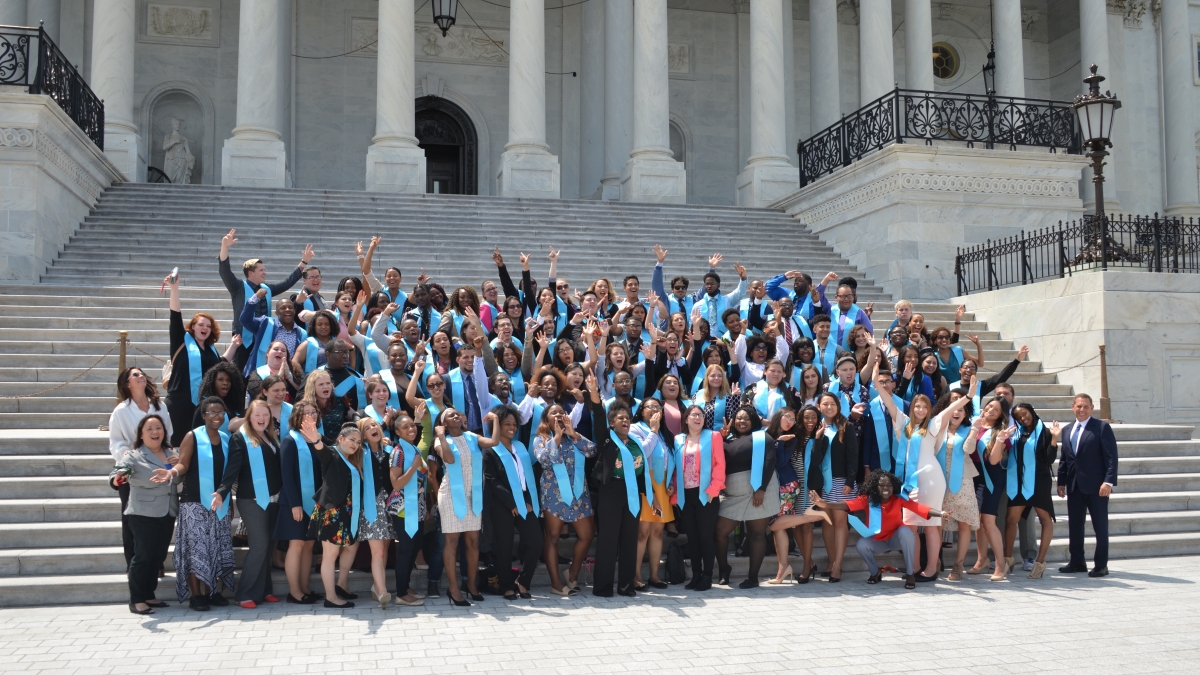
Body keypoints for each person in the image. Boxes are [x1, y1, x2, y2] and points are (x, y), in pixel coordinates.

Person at [878, 378, 978, 582]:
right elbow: (888, 401)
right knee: (909, 526)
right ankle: (914, 567)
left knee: (931, 525)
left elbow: (951, 408)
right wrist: (875, 381)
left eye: (924, 406)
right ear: (912, 407)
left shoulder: (933, 424)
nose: (921, 410)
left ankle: (931, 569)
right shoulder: (904, 422)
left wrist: (968, 396)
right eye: (917, 406)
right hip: (910, 482)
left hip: (931, 480)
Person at [811, 470, 950, 590]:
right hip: (877, 541)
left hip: (896, 539)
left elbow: (919, 508)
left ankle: (910, 574)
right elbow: (847, 504)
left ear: (894, 486)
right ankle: (875, 571)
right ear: (875, 487)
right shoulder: (868, 499)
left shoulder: (898, 499)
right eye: (881, 485)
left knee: (907, 532)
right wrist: (825, 504)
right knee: (861, 544)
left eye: (889, 485)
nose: (885, 488)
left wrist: (940, 513)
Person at [170, 397, 237, 611]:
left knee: (216, 547)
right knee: (196, 550)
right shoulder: (193, 436)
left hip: (220, 503)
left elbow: (228, 475)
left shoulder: (227, 439)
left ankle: (212, 592)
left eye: (221, 413)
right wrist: (172, 471)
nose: (217, 417)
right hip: (194, 503)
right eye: (212, 413)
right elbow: (183, 463)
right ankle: (196, 595)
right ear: (204, 415)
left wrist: (229, 500)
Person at [109, 415, 178, 614]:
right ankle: (137, 599)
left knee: (157, 556)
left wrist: (179, 462)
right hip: (142, 513)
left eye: (158, 427)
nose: (155, 432)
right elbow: (118, 473)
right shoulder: (134, 456)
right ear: (141, 434)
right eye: (149, 429)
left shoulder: (172, 454)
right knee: (144, 556)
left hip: (167, 510)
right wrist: (118, 479)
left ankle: (149, 594)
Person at [587, 373, 647, 597]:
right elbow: (598, 412)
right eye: (620, 418)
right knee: (608, 541)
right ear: (612, 423)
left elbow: (641, 471)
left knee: (629, 541)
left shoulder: (635, 443)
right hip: (610, 493)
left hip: (631, 496)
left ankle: (626, 585)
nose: (625, 421)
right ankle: (603, 588)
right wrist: (594, 391)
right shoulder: (606, 438)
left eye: (628, 419)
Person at [109, 367, 174, 571]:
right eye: (135, 375)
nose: (141, 377)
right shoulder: (121, 410)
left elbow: (169, 433)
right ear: (127, 383)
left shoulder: (159, 405)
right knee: (131, 518)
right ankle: (134, 562)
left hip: (158, 467)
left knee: (161, 517)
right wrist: (130, 460)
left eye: (142, 374)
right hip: (134, 469)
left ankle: (156, 562)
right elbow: (116, 443)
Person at [218, 228, 312, 368]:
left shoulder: (266, 289)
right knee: (241, 373)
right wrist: (224, 247)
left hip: (263, 336)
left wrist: (303, 262)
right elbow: (225, 272)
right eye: (261, 270)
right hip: (243, 339)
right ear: (251, 273)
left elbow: (286, 283)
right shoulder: (238, 287)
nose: (265, 272)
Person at [220, 400, 282, 608]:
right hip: (252, 500)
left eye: (265, 415)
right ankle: (244, 593)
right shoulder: (240, 438)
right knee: (259, 546)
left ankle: (264, 590)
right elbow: (233, 468)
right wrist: (222, 491)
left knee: (268, 546)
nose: (262, 419)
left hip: (274, 498)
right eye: (257, 415)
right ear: (249, 417)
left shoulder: (271, 437)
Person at [531, 403, 597, 596]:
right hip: (554, 495)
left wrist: (573, 434)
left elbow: (592, 451)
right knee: (552, 538)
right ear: (546, 419)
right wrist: (558, 437)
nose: (559, 414)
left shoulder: (574, 437)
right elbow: (545, 459)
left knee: (587, 535)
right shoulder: (540, 439)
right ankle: (556, 583)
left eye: (562, 412)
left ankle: (573, 574)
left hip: (579, 494)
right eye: (554, 412)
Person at [482, 405, 545, 600]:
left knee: (536, 541)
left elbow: (526, 476)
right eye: (506, 424)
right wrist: (512, 503)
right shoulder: (490, 450)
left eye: (514, 424)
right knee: (504, 546)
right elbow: (492, 481)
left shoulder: (519, 446)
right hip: (502, 504)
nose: (512, 428)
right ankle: (507, 585)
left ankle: (523, 582)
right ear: (497, 425)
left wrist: (525, 499)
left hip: (524, 502)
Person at [306, 421, 370, 609]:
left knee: (352, 546)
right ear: (341, 439)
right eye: (352, 440)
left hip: (349, 512)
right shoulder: (333, 453)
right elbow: (322, 452)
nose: (355, 445)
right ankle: (331, 597)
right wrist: (316, 440)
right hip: (332, 512)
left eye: (358, 442)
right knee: (330, 555)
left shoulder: (352, 460)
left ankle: (341, 585)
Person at [715, 406, 779, 588]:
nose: (742, 422)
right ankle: (724, 569)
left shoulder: (762, 437)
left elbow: (769, 462)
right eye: (738, 418)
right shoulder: (726, 438)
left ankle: (753, 577)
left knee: (756, 534)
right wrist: (722, 438)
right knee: (720, 532)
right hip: (732, 494)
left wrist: (761, 489)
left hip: (758, 491)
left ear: (754, 422)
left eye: (746, 419)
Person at [765, 407, 830, 584]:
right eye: (806, 417)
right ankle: (808, 561)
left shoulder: (822, 438)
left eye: (814, 417)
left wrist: (817, 439)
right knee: (796, 526)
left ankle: (806, 567)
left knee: (806, 526)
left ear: (818, 419)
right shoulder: (795, 437)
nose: (810, 420)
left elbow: (817, 461)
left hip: (809, 486)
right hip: (793, 484)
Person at [1057, 393, 1118, 577]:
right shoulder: (1067, 429)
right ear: (1072, 407)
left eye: (1085, 406)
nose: (1081, 410)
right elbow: (1065, 458)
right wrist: (1061, 481)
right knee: (1075, 525)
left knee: (1100, 526)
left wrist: (1108, 481)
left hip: (1097, 486)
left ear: (1092, 408)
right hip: (1074, 485)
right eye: (1078, 406)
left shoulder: (1101, 427)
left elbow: (1111, 457)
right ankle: (1077, 562)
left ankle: (1101, 565)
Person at [165, 273, 230, 446]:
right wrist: (174, 289)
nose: (205, 328)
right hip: (180, 401)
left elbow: (221, 366)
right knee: (178, 445)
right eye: (201, 324)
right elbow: (175, 315)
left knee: (200, 445)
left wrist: (235, 346)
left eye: (208, 326)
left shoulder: (211, 350)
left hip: (204, 403)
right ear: (193, 326)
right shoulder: (181, 341)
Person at [433, 407, 487, 606]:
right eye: (451, 415)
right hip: (450, 495)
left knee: (473, 542)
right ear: (443, 423)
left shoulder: (471, 436)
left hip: (473, 494)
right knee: (452, 542)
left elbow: (494, 442)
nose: (456, 416)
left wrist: (495, 421)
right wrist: (441, 435)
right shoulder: (440, 441)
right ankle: (453, 588)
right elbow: (449, 459)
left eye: (458, 414)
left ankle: (471, 584)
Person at [274, 401, 323, 604]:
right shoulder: (290, 440)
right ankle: (294, 591)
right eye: (306, 413)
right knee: (296, 545)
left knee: (308, 545)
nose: (311, 415)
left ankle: (305, 588)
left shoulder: (318, 440)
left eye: (314, 412)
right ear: (297, 417)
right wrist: (295, 504)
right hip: (294, 502)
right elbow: (287, 475)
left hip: (314, 502)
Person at [672, 405, 725, 590]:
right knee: (692, 537)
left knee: (705, 536)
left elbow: (719, 465)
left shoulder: (713, 436)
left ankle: (707, 575)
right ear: (686, 419)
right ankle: (695, 574)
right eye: (694, 415)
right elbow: (675, 467)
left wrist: (714, 489)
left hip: (707, 493)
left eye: (701, 415)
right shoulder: (678, 439)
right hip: (686, 494)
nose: (698, 418)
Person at [808, 392, 859, 582]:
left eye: (833, 404)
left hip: (841, 482)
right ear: (819, 406)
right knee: (826, 523)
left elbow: (853, 456)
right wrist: (818, 438)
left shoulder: (846, 427)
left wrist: (850, 481)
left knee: (839, 523)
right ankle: (830, 561)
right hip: (823, 483)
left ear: (838, 406)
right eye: (825, 404)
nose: (829, 407)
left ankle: (838, 565)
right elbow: (815, 460)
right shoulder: (817, 428)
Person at [1002, 403, 1057, 580]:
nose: (1022, 418)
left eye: (1024, 414)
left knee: (1045, 519)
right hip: (1018, 482)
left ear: (1032, 412)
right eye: (1018, 417)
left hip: (1039, 481)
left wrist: (1054, 439)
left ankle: (1039, 563)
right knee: (1011, 520)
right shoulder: (1016, 433)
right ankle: (1008, 558)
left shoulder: (1045, 432)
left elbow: (1049, 458)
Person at [931, 391, 980, 581]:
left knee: (964, 523)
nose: (957, 412)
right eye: (954, 408)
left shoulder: (968, 429)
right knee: (937, 522)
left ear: (966, 412)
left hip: (963, 480)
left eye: (962, 409)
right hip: (939, 479)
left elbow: (969, 449)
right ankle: (934, 561)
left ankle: (958, 565)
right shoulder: (938, 427)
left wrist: (975, 430)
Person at [386, 408, 432, 607]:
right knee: (406, 550)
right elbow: (396, 484)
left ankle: (405, 586)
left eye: (412, 425)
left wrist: (424, 507)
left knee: (415, 547)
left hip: (417, 505)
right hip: (403, 508)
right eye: (405, 427)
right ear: (397, 432)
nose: (411, 429)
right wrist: (413, 467)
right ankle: (401, 593)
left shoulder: (411, 448)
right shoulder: (398, 453)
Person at [967, 397, 1015, 581]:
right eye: (990, 406)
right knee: (978, 521)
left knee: (988, 520)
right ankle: (982, 560)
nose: (991, 410)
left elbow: (995, 460)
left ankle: (1000, 565)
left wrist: (1001, 440)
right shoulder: (973, 423)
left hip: (990, 477)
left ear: (1001, 414)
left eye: (996, 409)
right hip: (973, 475)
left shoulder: (1000, 432)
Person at [629, 398, 673, 590]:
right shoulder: (634, 429)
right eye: (650, 407)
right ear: (641, 410)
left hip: (662, 484)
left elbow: (670, 458)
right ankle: (636, 575)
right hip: (645, 482)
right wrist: (653, 430)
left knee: (657, 531)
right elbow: (640, 453)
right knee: (642, 532)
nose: (655, 410)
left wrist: (671, 482)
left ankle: (654, 576)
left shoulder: (665, 433)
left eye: (658, 407)